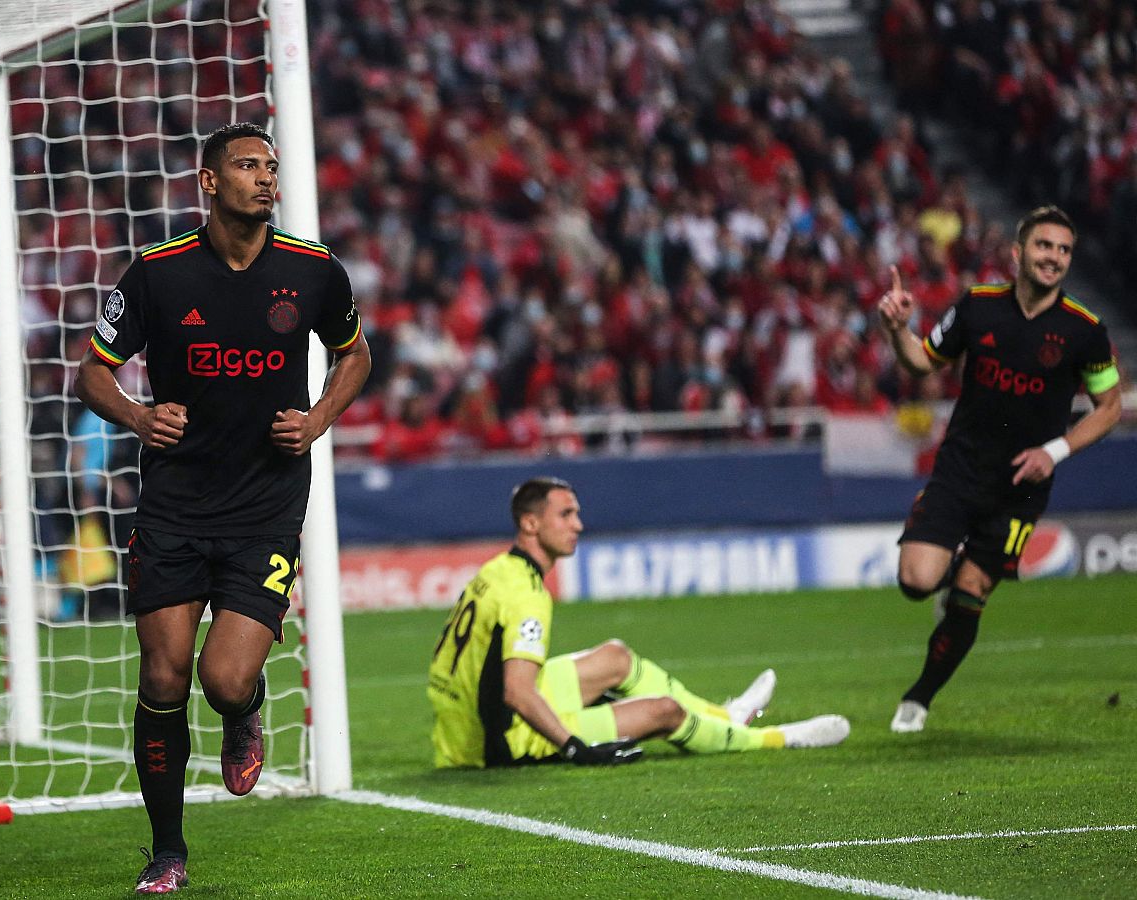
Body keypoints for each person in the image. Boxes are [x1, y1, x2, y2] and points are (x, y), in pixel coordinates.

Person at [72, 122, 371, 895]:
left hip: (266, 505)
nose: (265, 177)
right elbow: (93, 375)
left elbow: (355, 353)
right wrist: (139, 416)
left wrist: (317, 419)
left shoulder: (314, 271)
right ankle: (167, 849)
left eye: (270, 166)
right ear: (209, 183)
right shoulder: (156, 273)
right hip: (173, 507)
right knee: (163, 678)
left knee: (222, 677)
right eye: (246, 165)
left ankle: (247, 708)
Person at [877, 205, 1122, 734]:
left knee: (970, 594)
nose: (1053, 257)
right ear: (1018, 254)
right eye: (1043, 246)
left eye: (1063, 250)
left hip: (1020, 489)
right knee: (917, 582)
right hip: (959, 472)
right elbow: (921, 361)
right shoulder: (977, 307)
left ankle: (919, 698)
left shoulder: (1084, 331)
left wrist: (1053, 451)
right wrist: (898, 330)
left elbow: (1110, 408)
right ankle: (948, 561)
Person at [428, 477, 851, 770]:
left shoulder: (498, 570)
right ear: (531, 523)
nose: (579, 524)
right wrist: (576, 749)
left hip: (463, 725)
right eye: (567, 515)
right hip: (497, 741)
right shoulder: (527, 595)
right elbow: (518, 693)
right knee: (665, 713)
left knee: (615, 657)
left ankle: (724, 715)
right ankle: (778, 737)